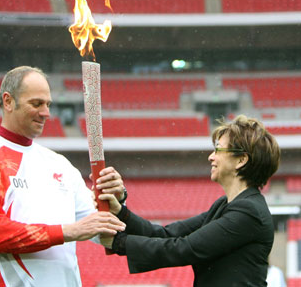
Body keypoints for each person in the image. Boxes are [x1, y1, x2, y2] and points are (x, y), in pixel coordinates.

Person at [0, 66, 126, 287]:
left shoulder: (60, 164)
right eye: (36, 104)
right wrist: (69, 231)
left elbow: (106, 235)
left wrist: (116, 203)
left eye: (48, 104)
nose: (46, 113)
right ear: (8, 101)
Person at [99, 115, 281, 286]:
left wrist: (119, 243)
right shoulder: (225, 206)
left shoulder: (248, 212)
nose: (211, 156)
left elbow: (186, 249)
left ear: (241, 160)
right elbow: (168, 234)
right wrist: (120, 212)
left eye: (218, 149)